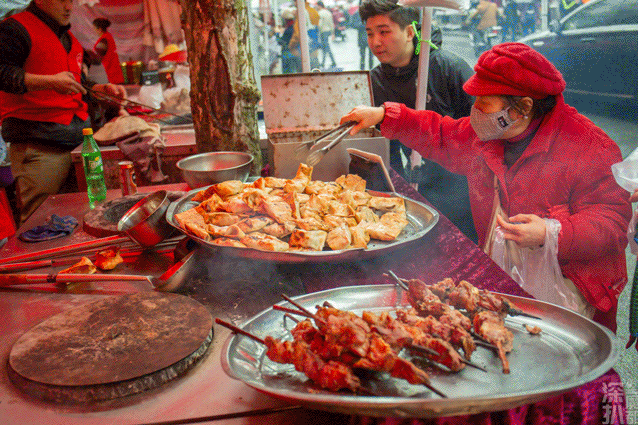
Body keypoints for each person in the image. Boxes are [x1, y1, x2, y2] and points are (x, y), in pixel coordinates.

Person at [340, 42, 631, 331]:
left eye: (483, 102)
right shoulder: (490, 134)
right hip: (509, 276)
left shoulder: (589, 147)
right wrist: (384, 116)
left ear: (522, 108)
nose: (475, 109)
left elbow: (613, 222)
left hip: (573, 290)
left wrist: (552, 233)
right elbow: (442, 134)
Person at [359, 0, 478, 242]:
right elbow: (386, 151)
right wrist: (396, 192)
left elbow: (479, 134)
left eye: (384, 31)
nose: (375, 42)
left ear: (410, 31)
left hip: (462, 187)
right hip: (416, 188)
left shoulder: (450, 69)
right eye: (370, 34)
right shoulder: (375, 81)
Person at [0, 0, 126, 226]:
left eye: (72, 0)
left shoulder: (68, 38)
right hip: (40, 150)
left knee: (82, 222)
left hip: (79, 148)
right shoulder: (14, 29)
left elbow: (78, 84)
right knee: (40, 228)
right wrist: (48, 82)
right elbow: (2, 73)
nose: (69, 6)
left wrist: (99, 90)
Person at [92, 17, 124, 84]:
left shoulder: (104, 40)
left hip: (111, 74)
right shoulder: (108, 37)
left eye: (94, 28)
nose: (93, 30)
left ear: (99, 29)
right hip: (114, 73)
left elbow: (97, 57)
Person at [316, 1, 337, 69]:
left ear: (319, 6)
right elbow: (331, 23)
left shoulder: (320, 13)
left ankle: (331, 62)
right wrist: (333, 32)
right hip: (328, 31)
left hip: (323, 31)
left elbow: (320, 24)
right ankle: (324, 62)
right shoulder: (328, 12)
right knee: (325, 47)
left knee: (326, 47)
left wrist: (318, 30)